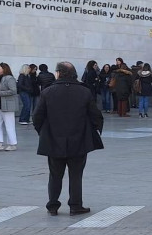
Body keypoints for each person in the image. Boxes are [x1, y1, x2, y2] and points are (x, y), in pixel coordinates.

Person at [33, 61, 103, 216]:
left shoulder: (47, 92)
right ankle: (75, 205)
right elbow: (96, 115)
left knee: (55, 174)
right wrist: (93, 130)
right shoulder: (84, 92)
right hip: (78, 139)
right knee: (76, 175)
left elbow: (37, 117)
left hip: (53, 140)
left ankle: (53, 205)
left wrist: (43, 132)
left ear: (58, 73)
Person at [0, 63, 19, 151]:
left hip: (7, 105)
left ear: (4, 69)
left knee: (9, 125)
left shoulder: (9, 78)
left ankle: (12, 144)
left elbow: (13, 91)